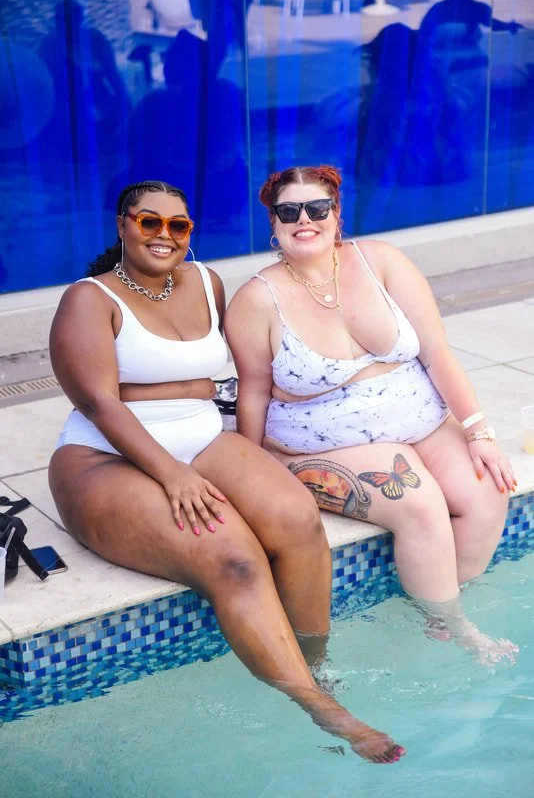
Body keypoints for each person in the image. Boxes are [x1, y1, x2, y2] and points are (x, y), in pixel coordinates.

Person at [48, 179, 405, 763]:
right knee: (234, 558)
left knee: (296, 519)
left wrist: (192, 397)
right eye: (149, 222)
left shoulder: (208, 283)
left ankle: (313, 667)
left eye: (178, 225)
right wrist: (173, 474)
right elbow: (101, 403)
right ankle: (320, 707)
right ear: (122, 225)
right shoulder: (89, 299)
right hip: (103, 458)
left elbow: (225, 378)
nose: (164, 235)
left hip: (200, 435)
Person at [225, 165, 518, 664]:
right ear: (272, 224)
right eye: (288, 211)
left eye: (317, 208)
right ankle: (456, 627)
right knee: (420, 505)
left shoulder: (380, 261)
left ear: (336, 216)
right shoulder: (257, 300)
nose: (304, 219)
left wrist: (478, 431)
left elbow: (437, 353)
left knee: (489, 489)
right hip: (322, 444)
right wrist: (253, 474)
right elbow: (252, 393)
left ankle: (438, 608)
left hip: (420, 423)